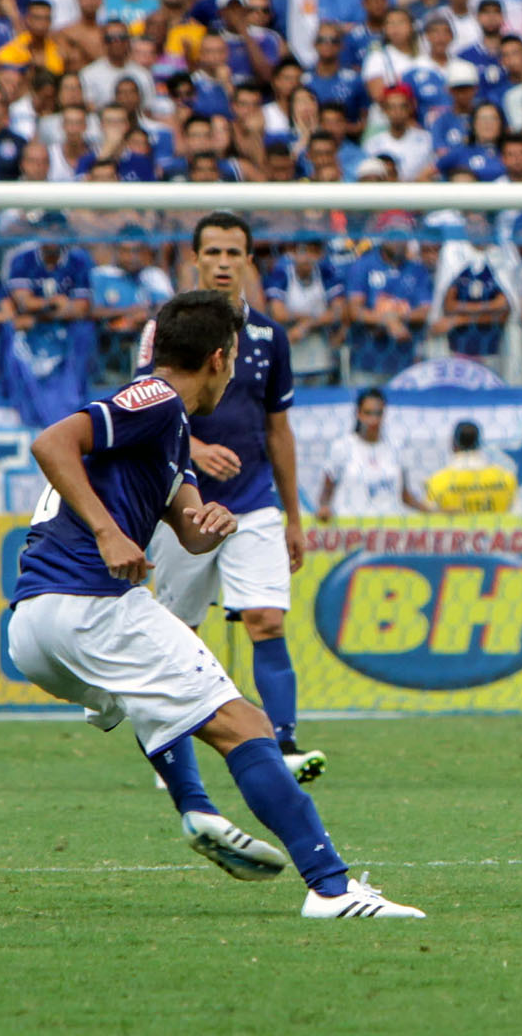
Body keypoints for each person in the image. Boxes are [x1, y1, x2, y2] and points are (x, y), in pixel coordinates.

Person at [5, 290, 423, 919]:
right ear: (221, 358)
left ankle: (195, 807)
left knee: (157, 700)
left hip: (35, 629)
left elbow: (189, 527)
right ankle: (332, 889)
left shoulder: (174, 431)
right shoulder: (155, 397)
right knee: (247, 726)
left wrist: (211, 523)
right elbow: (52, 443)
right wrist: (107, 531)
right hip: (87, 601)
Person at [141, 212, 324, 791]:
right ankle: (171, 748)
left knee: (266, 620)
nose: (223, 262)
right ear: (194, 259)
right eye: (213, 252)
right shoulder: (163, 333)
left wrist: (295, 516)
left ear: (249, 260)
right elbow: (141, 407)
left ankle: (285, 745)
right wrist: (195, 446)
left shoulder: (270, 336)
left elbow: (279, 430)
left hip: (254, 502)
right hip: (181, 502)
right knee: (178, 630)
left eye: (234, 253)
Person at [316, 388, 437, 519]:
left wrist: (435, 512)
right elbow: (326, 492)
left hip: (387, 529)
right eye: (368, 413)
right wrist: (324, 508)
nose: (373, 419)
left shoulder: (396, 447)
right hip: (352, 529)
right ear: (358, 414)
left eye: (378, 413)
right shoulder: (343, 447)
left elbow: (405, 496)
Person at [426, 420, 517, 512]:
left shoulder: (437, 481)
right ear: (479, 443)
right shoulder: (506, 478)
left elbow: (430, 521)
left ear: (453, 444)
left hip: (456, 526)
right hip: (495, 526)